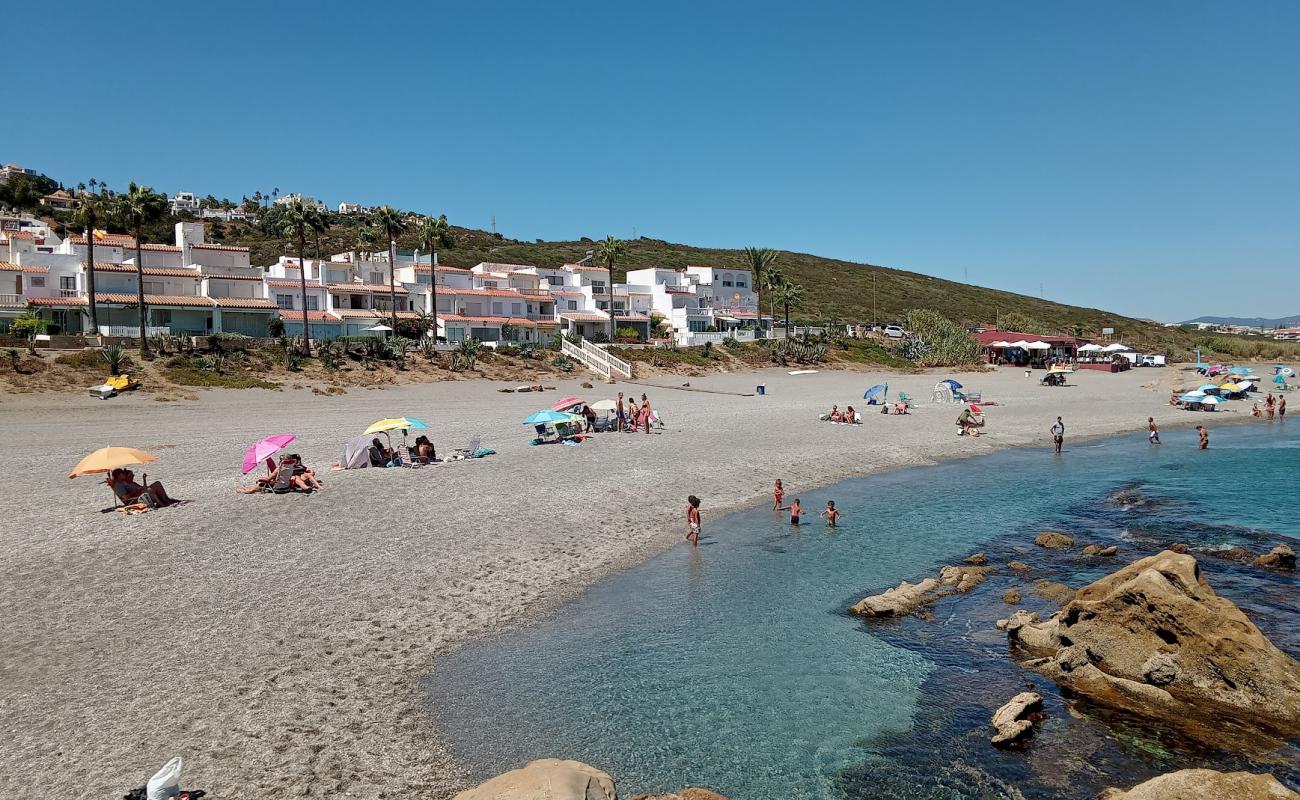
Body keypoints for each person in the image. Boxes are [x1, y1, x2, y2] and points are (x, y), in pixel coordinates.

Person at [109, 468, 178, 508]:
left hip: (141, 494)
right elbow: (126, 497)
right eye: (122, 474)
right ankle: (162, 504)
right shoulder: (119, 486)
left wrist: (144, 480)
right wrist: (136, 491)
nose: (124, 475)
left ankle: (166, 500)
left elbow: (142, 487)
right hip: (136, 499)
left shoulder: (126, 482)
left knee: (157, 483)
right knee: (149, 490)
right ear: (118, 476)